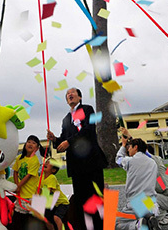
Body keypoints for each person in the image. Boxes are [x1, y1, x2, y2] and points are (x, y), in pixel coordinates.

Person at [46, 87, 107, 230]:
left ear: (80, 97)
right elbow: (64, 139)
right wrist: (55, 139)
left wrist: (69, 142)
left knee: (96, 199)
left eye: (72, 92)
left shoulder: (88, 109)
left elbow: (88, 130)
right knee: (81, 201)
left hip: (91, 163)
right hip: (76, 166)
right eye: (67, 94)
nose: (69, 95)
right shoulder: (66, 119)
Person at [115, 135, 160, 230]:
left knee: (115, 223)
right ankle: (149, 217)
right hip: (151, 203)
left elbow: (118, 159)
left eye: (129, 147)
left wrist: (123, 145)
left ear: (135, 147)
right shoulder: (153, 163)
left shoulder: (130, 161)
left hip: (136, 202)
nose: (128, 150)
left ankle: (137, 225)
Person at [11, 135, 42, 227]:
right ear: (25, 144)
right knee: (18, 220)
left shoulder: (35, 161)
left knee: (31, 222)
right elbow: (15, 172)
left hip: (30, 196)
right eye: (29, 141)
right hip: (20, 195)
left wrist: (18, 186)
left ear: (36, 148)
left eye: (34, 143)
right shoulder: (19, 158)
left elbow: (28, 176)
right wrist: (17, 185)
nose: (30, 144)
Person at [41, 159, 69, 230]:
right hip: (52, 203)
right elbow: (38, 191)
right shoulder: (40, 178)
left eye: (49, 163)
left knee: (56, 217)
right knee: (46, 219)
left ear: (53, 170)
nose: (46, 163)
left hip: (62, 203)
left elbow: (47, 191)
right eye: (46, 162)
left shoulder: (52, 178)